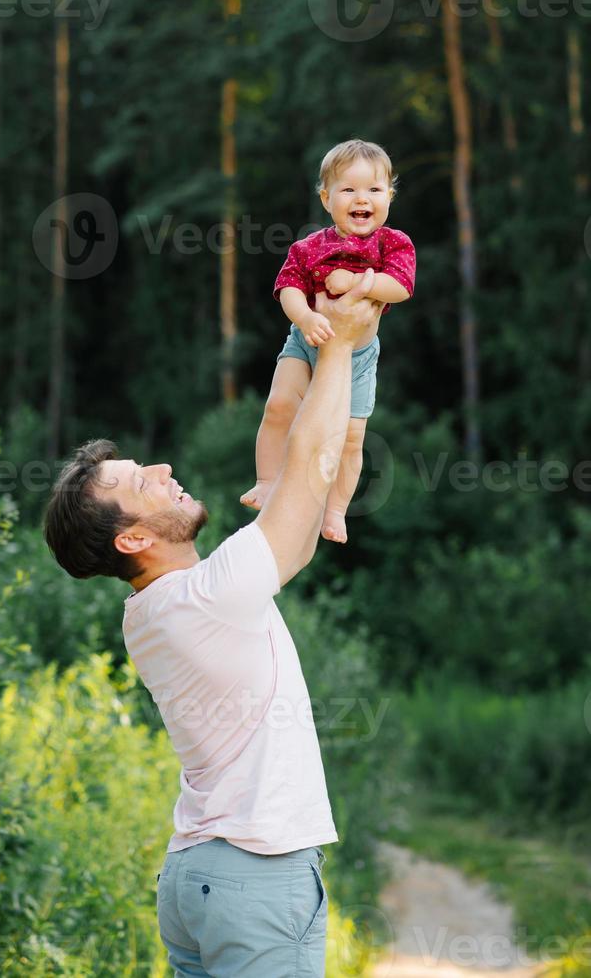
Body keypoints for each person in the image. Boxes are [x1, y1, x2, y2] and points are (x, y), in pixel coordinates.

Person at [43, 273, 381, 978]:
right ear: (132, 541)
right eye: (143, 483)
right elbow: (309, 473)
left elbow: (296, 519)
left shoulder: (155, 612)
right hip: (253, 876)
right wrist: (342, 347)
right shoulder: (207, 597)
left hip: (197, 880)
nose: (165, 469)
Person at [241, 138, 416, 544]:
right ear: (326, 198)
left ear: (389, 196)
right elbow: (286, 288)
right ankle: (267, 480)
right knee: (279, 406)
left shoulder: (393, 243)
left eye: (374, 189)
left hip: (358, 357)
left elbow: (401, 287)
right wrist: (304, 317)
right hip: (306, 342)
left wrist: (358, 281)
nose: (362, 199)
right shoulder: (308, 247)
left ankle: (336, 509)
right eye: (349, 189)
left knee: (352, 438)